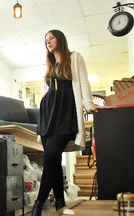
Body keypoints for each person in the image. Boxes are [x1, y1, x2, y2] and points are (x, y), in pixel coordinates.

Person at [31, 29, 98, 216]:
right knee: (54, 162)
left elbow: (83, 82)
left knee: (50, 158)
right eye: (45, 40)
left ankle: (38, 203)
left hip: (65, 117)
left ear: (60, 39)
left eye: (51, 38)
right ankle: (60, 202)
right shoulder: (50, 66)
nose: (48, 42)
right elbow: (45, 93)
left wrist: (89, 103)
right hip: (47, 118)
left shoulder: (74, 58)